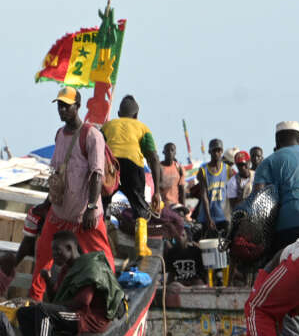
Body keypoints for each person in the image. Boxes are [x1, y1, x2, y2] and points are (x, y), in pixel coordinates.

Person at [30, 87, 115, 301]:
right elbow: (56, 174)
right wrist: (46, 202)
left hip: (84, 216)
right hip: (59, 213)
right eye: (59, 105)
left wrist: (92, 207)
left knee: (101, 259)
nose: (62, 109)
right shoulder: (60, 134)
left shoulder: (91, 135)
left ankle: (112, 296)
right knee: (42, 255)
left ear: (77, 106)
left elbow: (97, 174)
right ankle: (34, 300)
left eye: (66, 105)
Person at [16, 231, 126, 336]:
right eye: (53, 251)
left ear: (69, 248)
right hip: (74, 313)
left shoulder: (89, 267)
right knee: (23, 312)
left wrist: (44, 306)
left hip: (88, 318)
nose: (54, 255)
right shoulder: (67, 269)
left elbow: (82, 302)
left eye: (57, 250)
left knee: (43, 310)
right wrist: (48, 280)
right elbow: (56, 300)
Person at [99, 95, 162, 257]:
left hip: (111, 166)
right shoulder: (143, 128)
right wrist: (157, 191)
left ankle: (100, 243)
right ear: (136, 115)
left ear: (119, 113)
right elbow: (153, 158)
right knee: (139, 207)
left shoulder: (108, 126)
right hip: (133, 167)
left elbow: (96, 148)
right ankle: (141, 246)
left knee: (103, 204)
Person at [252, 120, 299, 256]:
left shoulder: (267, 163)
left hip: (288, 230)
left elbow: (257, 205)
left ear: (277, 142)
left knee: (271, 267)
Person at [188, 138, 231, 237]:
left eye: (219, 150)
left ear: (222, 151)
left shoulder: (228, 170)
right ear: (209, 152)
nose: (216, 153)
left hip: (223, 217)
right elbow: (204, 196)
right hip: (207, 217)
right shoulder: (203, 171)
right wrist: (209, 218)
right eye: (214, 150)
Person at [158, 142, 186, 211]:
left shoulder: (179, 168)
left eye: (172, 150)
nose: (170, 152)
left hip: (176, 206)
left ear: (175, 152)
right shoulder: (158, 168)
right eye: (167, 150)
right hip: (162, 206)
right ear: (163, 152)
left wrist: (183, 207)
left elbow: (182, 189)